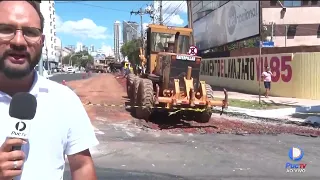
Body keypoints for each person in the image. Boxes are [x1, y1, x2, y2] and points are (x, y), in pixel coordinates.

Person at [0, 1, 98, 180]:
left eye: (30, 32)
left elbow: (82, 166)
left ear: (42, 41)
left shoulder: (64, 99)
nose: (19, 41)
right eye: (6, 29)